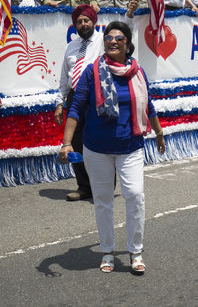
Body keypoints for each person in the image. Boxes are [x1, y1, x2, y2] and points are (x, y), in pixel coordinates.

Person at [58, 21, 166, 275]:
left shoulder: (138, 72)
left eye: (119, 37)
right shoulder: (92, 72)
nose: (113, 41)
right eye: (108, 37)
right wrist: (65, 142)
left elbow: (148, 106)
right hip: (96, 148)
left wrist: (159, 133)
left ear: (128, 44)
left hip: (131, 147)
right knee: (103, 201)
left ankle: (135, 251)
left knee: (135, 195)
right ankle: (107, 250)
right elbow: (76, 109)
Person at [54, 4, 104, 201]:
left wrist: (128, 14)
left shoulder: (103, 40)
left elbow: (126, 30)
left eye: (86, 20)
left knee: (98, 142)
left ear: (93, 22)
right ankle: (84, 187)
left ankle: (103, 186)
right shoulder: (71, 46)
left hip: (96, 96)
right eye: (79, 22)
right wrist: (60, 103)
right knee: (76, 143)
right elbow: (64, 78)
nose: (83, 24)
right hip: (75, 97)